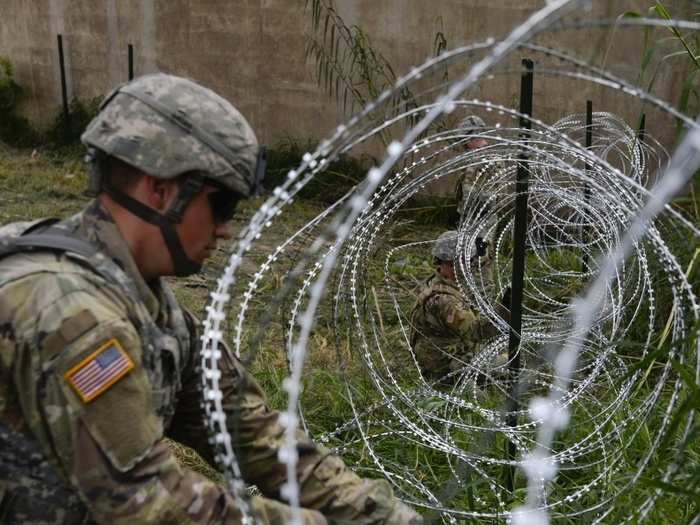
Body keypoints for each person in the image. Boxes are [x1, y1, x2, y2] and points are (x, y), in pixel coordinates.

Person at [0, 73, 421, 524]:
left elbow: (249, 430)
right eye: (220, 207)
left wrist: (380, 515)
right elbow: (150, 506)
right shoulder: (74, 317)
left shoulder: (147, 305)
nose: (225, 229)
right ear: (159, 189)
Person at [409, 231, 509, 383]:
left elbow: (482, 287)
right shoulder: (446, 301)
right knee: (511, 363)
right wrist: (505, 308)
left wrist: (485, 259)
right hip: (446, 366)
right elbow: (479, 331)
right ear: (453, 263)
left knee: (504, 355)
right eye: (466, 261)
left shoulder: (438, 281)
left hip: (449, 354)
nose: (470, 265)